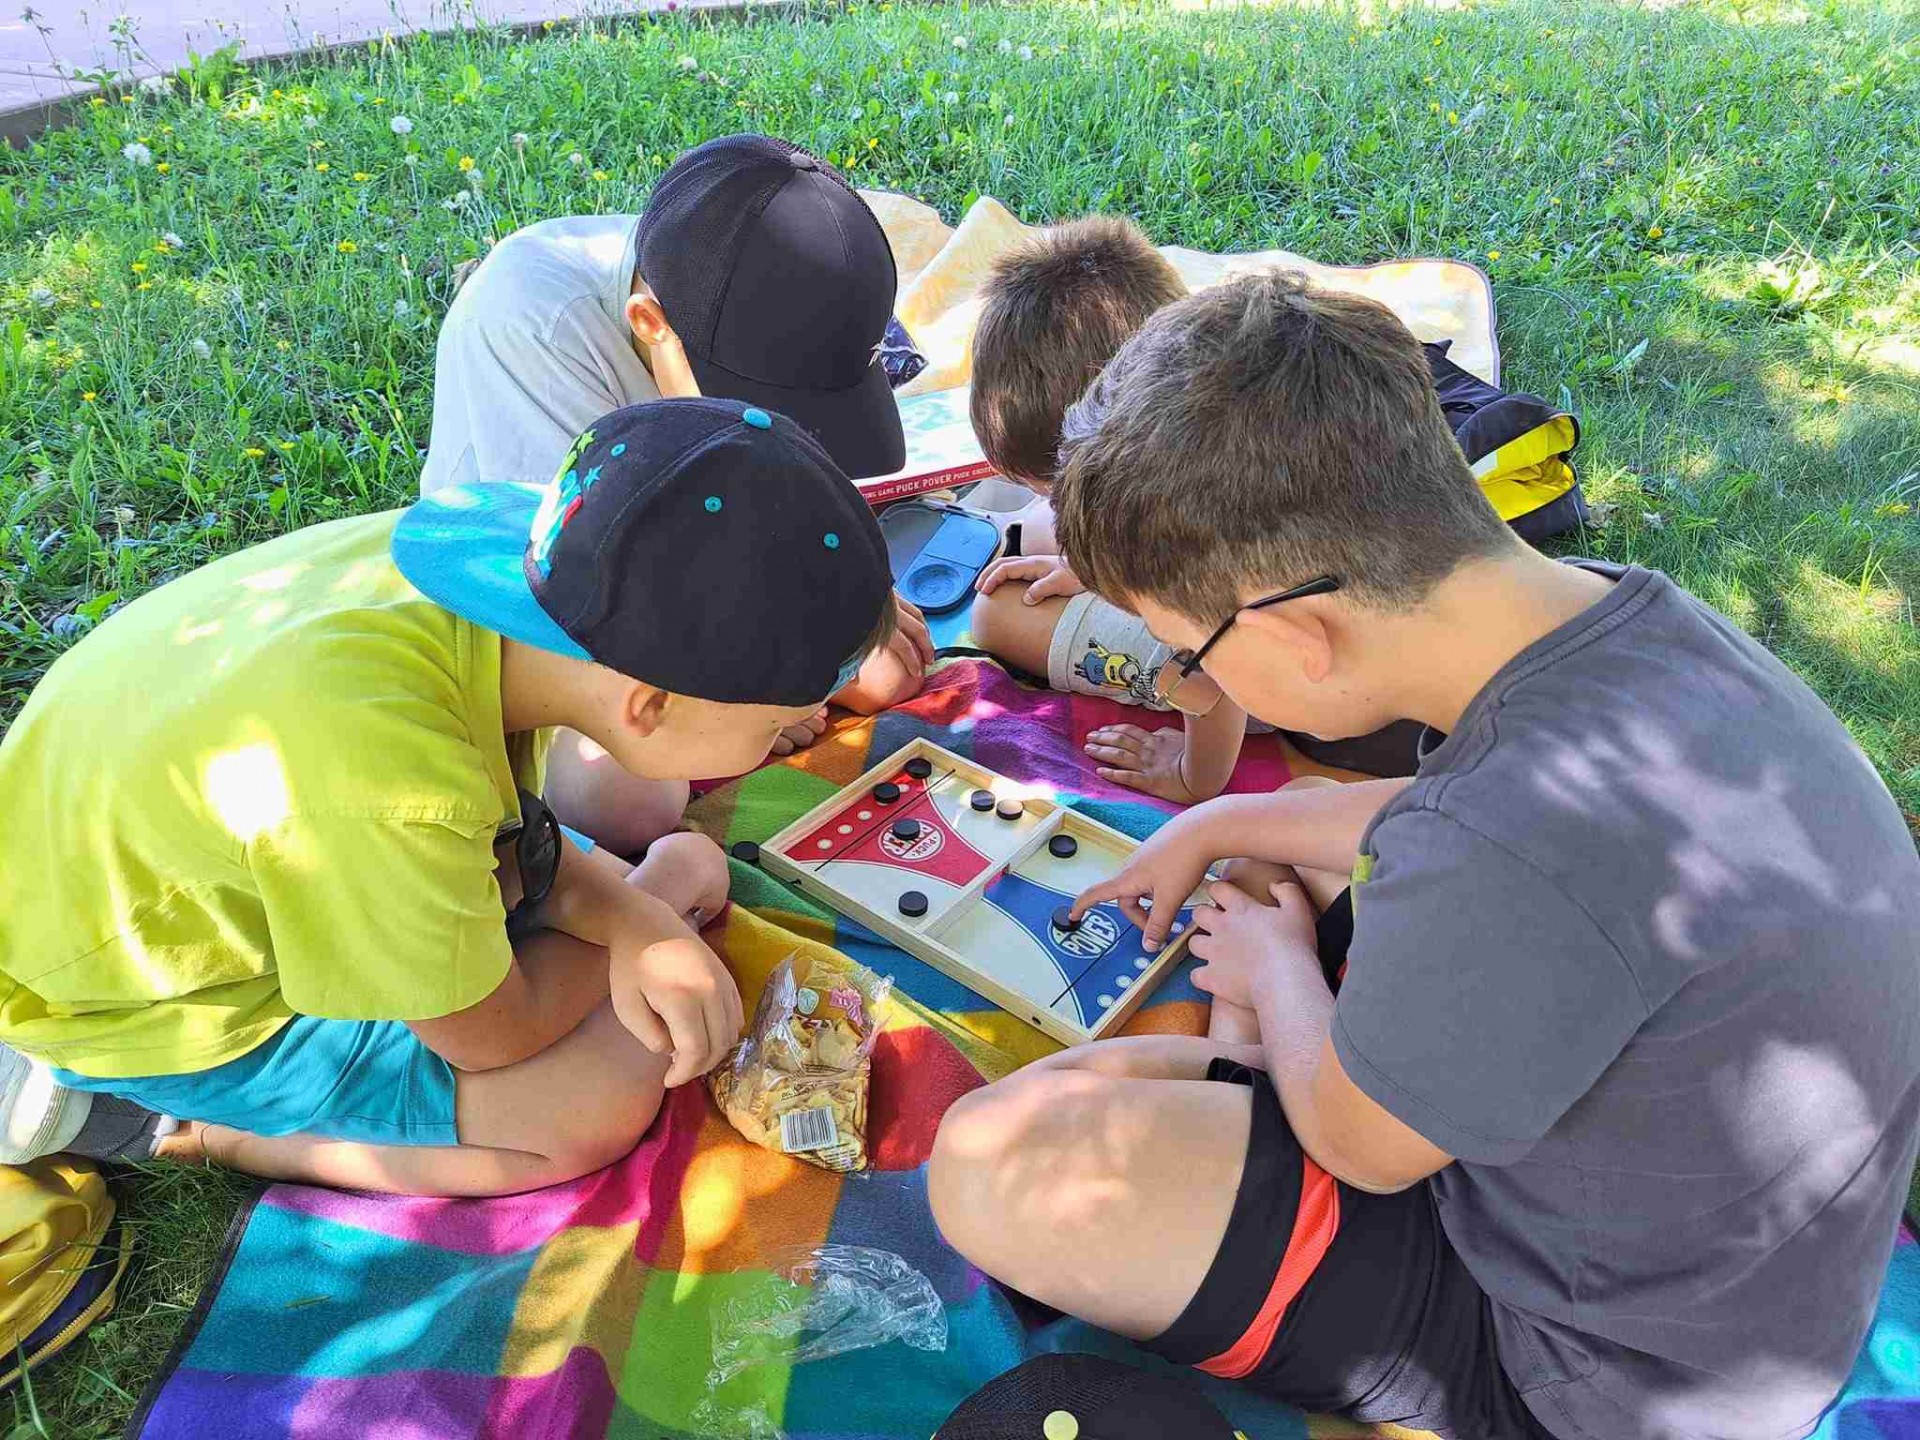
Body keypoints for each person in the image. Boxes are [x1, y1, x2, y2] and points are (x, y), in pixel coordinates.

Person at [929, 271, 1920, 1439]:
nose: (1191, 679)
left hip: (1591, 1375)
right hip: (1748, 1281)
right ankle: (1246, 1067)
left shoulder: (1500, 847)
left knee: (986, 1162)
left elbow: (1364, 1144)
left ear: (1301, 635)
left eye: (1189, 652)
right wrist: (1215, 822)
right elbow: (1450, 826)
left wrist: (1278, 970)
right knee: (1282, 857)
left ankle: (1249, 1078)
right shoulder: (1620, 618)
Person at [0, 399, 895, 1198]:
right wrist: (653, 910)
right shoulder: (391, 787)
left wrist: (628, 916)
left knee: (670, 867)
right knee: (591, 1103)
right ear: (650, 705)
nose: (798, 728)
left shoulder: (530, 580)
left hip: (187, 843)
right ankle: (187, 1128)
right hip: (151, 1005)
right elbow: (493, 1034)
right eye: (777, 720)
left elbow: (512, 837)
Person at [421, 133, 932, 851]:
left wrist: (829, 615)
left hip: (695, 558)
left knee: (878, 669)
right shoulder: (532, 326)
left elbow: (776, 484)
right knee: (620, 800)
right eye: (765, 404)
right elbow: (586, 592)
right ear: (649, 326)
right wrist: (764, 674)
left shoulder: (761, 279)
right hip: (573, 606)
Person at [965, 216, 1253, 804]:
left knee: (994, 612)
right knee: (1033, 533)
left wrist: (1193, 776)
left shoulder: (1181, 527)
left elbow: (1216, 675)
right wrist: (1094, 570)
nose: (1051, 505)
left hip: (1293, 689)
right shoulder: (1200, 420)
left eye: (1056, 491)